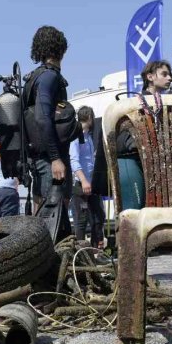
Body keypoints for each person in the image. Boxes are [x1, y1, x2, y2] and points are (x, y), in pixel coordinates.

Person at [115, 60, 172, 276]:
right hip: (132, 160)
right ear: (150, 77)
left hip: (159, 162)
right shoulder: (136, 102)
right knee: (132, 213)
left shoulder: (167, 102)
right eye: (164, 74)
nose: (169, 78)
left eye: (170, 74)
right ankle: (128, 267)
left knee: (169, 209)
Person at [25, 26, 73, 206]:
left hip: (39, 159)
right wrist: (55, 158)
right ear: (62, 48)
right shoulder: (49, 77)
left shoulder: (34, 77)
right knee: (53, 219)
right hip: (49, 160)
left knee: (42, 216)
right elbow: (42, 117)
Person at [69, 106, 106, 248]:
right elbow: (74, 160)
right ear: (90, 117)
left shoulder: (88, 137)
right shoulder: (75, 137)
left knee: (98, 217)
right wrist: (83, 180)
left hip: (92, 183)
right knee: (81, 220)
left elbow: (88, 159)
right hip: (81, 183)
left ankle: (96, 249)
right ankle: (81, 252)